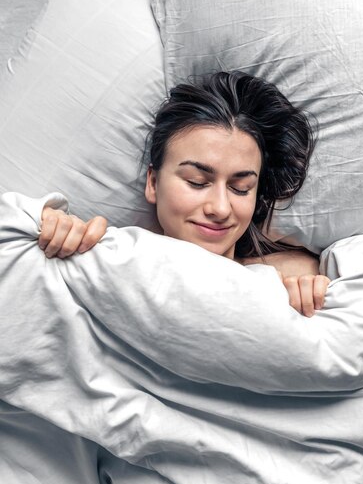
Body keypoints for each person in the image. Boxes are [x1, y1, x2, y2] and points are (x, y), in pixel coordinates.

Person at [38, 71, 330, 316]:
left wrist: (307, 286)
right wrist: (55, 233)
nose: (220, 208)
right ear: (153, 183)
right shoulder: (107, 256)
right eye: (196, 181)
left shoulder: (285, 277)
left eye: (240, 188)